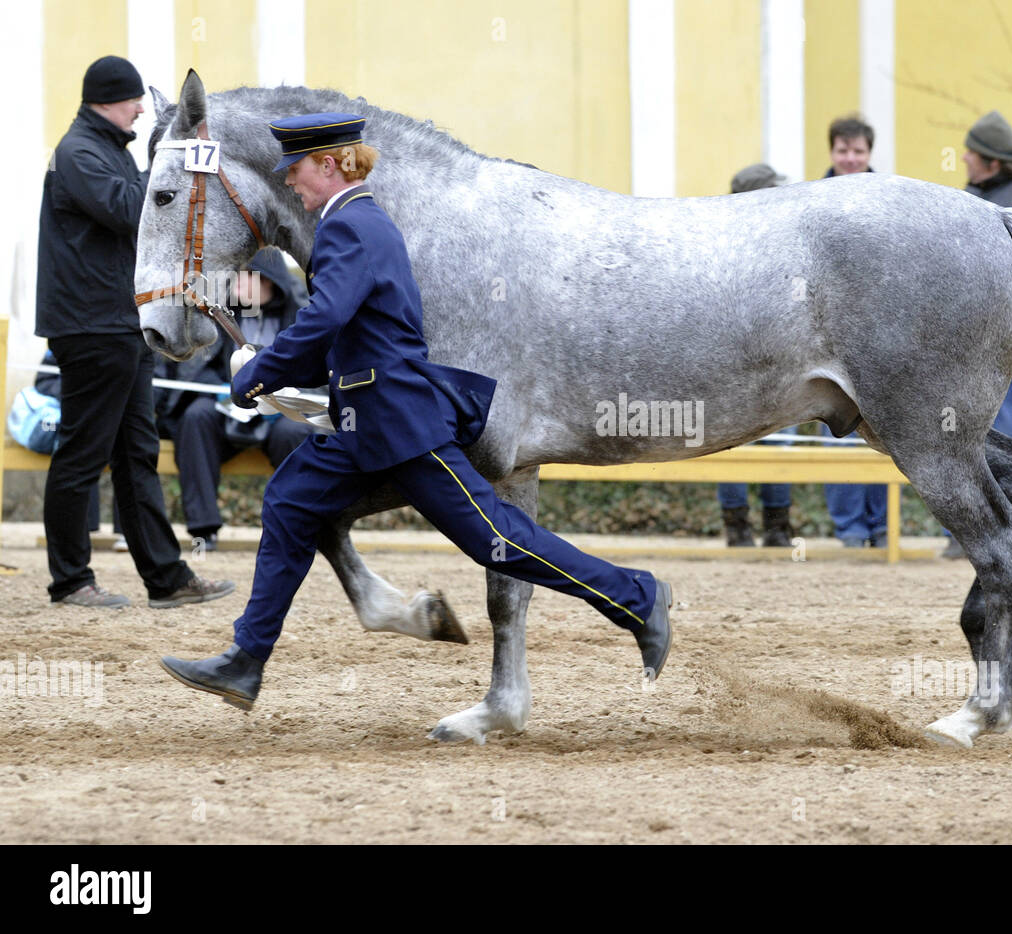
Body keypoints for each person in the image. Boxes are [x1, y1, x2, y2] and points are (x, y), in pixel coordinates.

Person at [160, 113, 672, 709]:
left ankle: (636, 596)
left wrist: (260, 371)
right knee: (290, 500)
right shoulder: (355, 222)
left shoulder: (348, 227)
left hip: (399, 419)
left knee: (499, 542)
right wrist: (274, 371)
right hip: (365, 417)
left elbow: (324, 321)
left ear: (329, 165)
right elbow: (339, 331)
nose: (290, 183)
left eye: (295, 170)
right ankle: (246, 661)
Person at [35, 55, 234, 609]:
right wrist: (173, 162)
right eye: (134, 101)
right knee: (82, 454)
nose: (142, 109)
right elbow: (134, 211)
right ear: (107, 100)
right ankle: (70, 580)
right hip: (92, 325)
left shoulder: (104, 150)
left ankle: (166, 580)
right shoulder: (80, 153)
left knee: (136, 452)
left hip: (120, 321)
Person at [943, 109, 1012, 558]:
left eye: (972, 152)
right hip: (980, 354)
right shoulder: (965, 199)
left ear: (992, 161)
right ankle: (975, 534)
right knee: (974, 449)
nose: (965, 157)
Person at [156, 247, 316, 551]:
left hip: (282, 410)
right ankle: (204, 530)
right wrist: (222, 390)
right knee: (196, 418)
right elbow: (204, 368)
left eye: (245, 277)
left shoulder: (300, 316)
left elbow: (316, 373)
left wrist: (284, 397)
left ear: (268, 281)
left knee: (294, 433)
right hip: (233, 406)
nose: (236, 283)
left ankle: (299, 528)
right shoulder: (224, 316)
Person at [717, 163, 797, 547]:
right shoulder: (725, 251)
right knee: (733, 447)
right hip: (741, 368)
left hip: (779, 365)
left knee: (779, 446)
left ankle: (777, 526)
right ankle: (738, 528)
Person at [819, 114, 886, 548]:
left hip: (879, 344)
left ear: (869, 154)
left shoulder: (887, 201)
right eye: (843, 150)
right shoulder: (811, 199)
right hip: (824, 344)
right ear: (832, 152)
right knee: (837, 443)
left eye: (857, 151)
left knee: (886, 438)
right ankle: (849, 530)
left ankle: (882, 528)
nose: (850, 158)